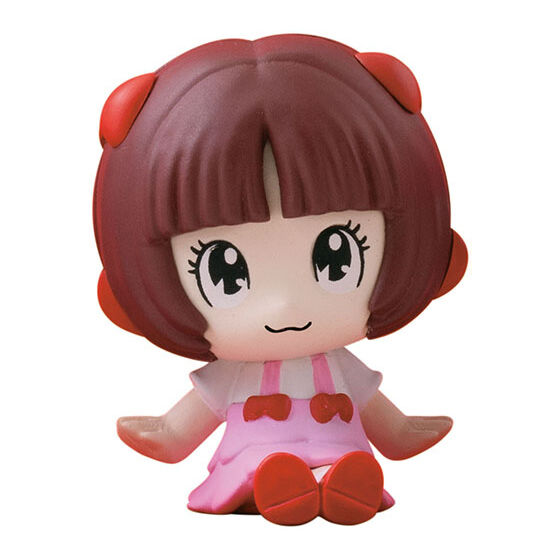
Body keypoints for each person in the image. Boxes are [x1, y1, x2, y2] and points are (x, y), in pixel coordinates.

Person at [93, 34, 467, 525]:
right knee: (262, 469)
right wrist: (164, 434)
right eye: (224, 271)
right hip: (253, 457)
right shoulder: (237, 373)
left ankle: (340, 483)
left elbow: (381, 417)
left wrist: (403, 434)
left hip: (338, 447)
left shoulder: (336, 366)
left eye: (337, 257)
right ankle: (278, 485)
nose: (285, 305)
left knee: (343, 465)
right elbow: (186, 423)